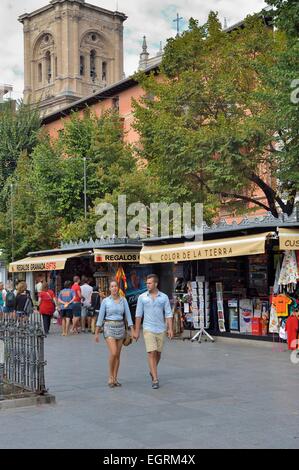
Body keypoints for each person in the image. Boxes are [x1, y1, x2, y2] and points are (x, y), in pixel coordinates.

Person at [135, 274, 174, 390]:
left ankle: (152, 370)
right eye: (147, 283)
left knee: (158, 353)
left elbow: (168, 314)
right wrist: (137, 331)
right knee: (151, 352)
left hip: (161, 329)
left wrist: (170, 328)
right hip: (148, 329)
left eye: (150, 283)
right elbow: (138, 315)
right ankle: (155, 379)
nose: (147, 285)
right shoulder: (142, 297)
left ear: (156, 284)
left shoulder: (164, 297)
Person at [95, 280, 134, 388]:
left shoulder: (123, 300)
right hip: (109, 327)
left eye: (116, 286)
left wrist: (132, 329)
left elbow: (128, 315)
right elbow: (100, 316)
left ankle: (115, 378)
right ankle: (110, 376)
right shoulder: (106, 301)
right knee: (113, 352)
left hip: (121, 327)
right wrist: (97, 332)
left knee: (117, 355)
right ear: (110, 289)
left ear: (118, 288)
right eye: (112, 286)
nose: (114, 288)